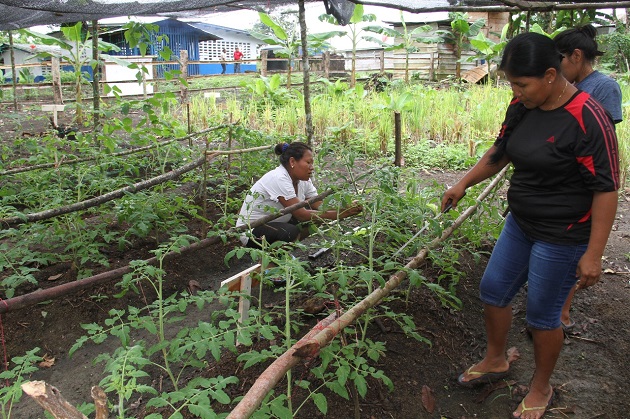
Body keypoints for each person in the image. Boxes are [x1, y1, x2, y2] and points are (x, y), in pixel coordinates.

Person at [442, 32, 619, 419]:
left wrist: (594, 255)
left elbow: (606, 189)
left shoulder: (589, 117)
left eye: (522, 83)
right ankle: (496, 359)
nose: (516, 91)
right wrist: (462, 183)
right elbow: (502, 149)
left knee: (542, 314)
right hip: (521, 222)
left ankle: (541, 386)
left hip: (565, 233)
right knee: (493, 290)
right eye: (512, 84)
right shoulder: (522, 105)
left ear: (552, 75)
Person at [554, 24, 623, 330]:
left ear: (577, 56)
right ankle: (553, 307)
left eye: (561, 59)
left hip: (585, 176)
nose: (556, 67)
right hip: (561, 176)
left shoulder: (604, 87)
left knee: (574, 245)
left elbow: (602, 137)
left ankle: (562, 314)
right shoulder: (561, 84)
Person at [236, 142, 362, 249]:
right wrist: (343, 213)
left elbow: (318, 205)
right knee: (291, 231)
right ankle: (272, 262)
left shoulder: (303, 180)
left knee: (315, 220)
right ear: (292, 161)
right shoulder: (279, 178)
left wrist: (345, 207)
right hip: (251, 231)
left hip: (275, 223)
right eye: (308, 162)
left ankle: (284, 252)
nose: (312, 168)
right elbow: (301, 214)